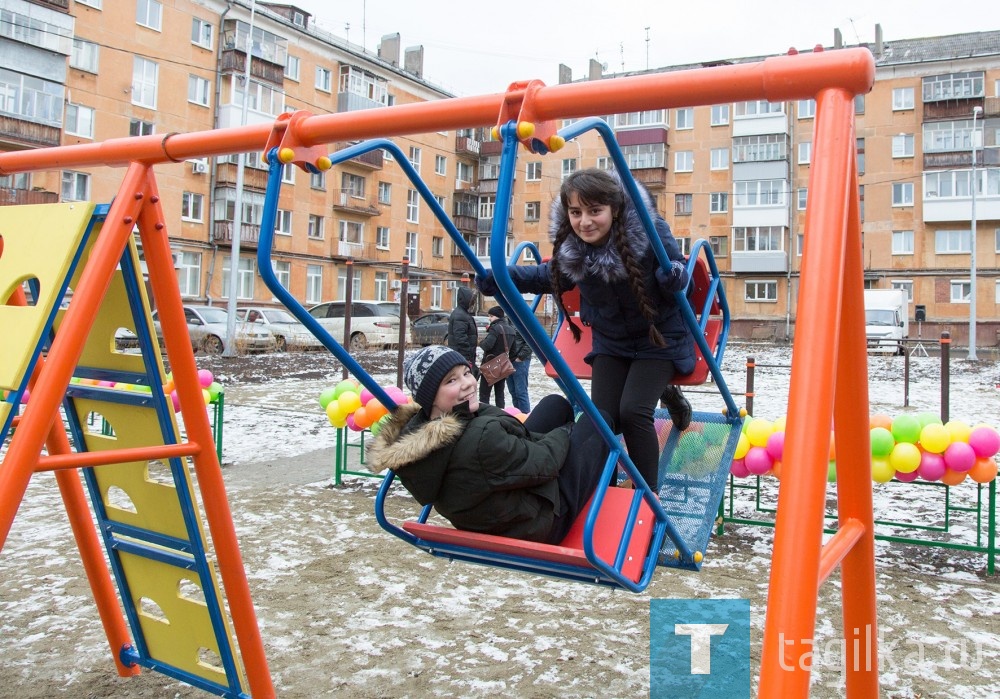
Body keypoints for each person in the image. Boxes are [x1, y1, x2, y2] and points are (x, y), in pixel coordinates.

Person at [476, 168, 694, 491]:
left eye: (595, 211)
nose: (585, 222)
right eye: (576, 213)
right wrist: (504, 278)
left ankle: (647, 500)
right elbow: (545, 277)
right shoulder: (573, 247)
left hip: (658, 338)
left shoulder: (650, 232)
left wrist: (673, 276)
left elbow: (678, 274)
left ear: (615, 209)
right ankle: (596, 490)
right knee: (603, 419)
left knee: (634, 412)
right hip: (613, 342)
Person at [367, 345, 609, 544]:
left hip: (495, 515)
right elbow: (547, 462)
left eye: (466, 373)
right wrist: (567, 431)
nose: (468, 384)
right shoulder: (481, 438)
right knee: (599, 422)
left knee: (554, 404)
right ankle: (611, 485)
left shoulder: (423, 431)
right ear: (431, 397)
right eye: (451, 381)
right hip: (540, 522)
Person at [478, 305, 512, 408]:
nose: (489, 318)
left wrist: (481, 342)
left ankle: (484, 414)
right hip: (503, 365)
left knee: (484, 393)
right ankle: (500, 413)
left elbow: (487, 345)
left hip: (490, 365)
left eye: (491, 316)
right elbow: (513, 351)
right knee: (500, 394)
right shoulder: (511, 329)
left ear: (497, 316)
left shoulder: (495, 328)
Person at [447, 285, 479, 371]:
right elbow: (461, 338)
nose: (473, 303)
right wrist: (468, 356)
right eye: (471, 300)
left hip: (463, 356)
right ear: (465, 299)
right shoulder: (460, 315)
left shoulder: (463, 313)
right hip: (462, 357)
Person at [507, 326, 533, 413]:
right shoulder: (508, 321)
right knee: (513, 391)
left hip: (520, 360)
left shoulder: (523, 322)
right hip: (509, 360)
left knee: (520, 391)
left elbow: (530, 342)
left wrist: (521, 357)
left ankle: (525, 416)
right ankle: (518, 414)